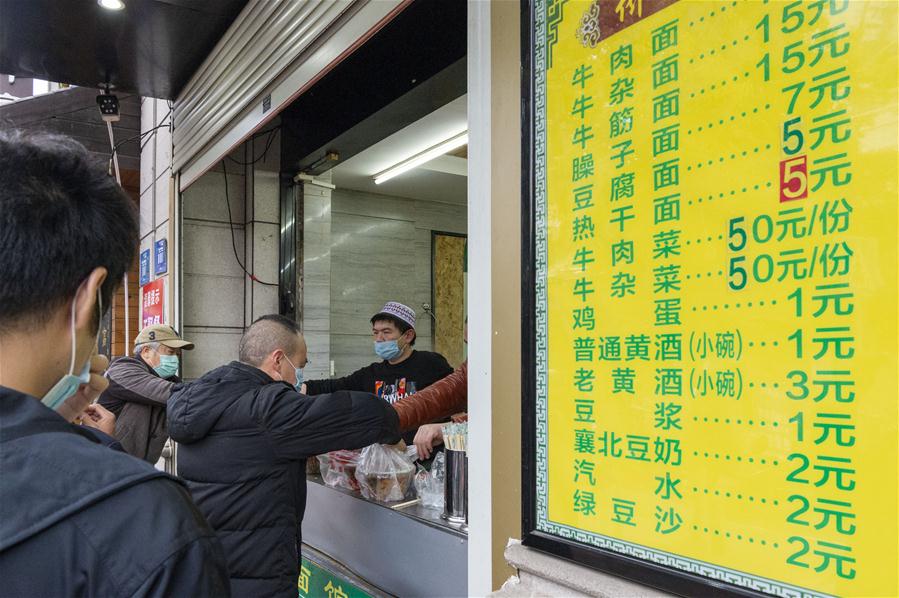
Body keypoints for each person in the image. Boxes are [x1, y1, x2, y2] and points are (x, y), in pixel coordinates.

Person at [0, 130, 229, 596]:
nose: (172, 361)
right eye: (168, 352)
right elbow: (172, 396)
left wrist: (46, 427)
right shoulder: (142, 520)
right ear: (87, 298)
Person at [167, 314, 400, 598]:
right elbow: (367, 416)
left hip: (207, 567)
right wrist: (396, 423)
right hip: (259, 576)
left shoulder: (200, 396)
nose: (298, 376)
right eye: (299, 366)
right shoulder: (269, 409)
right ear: (278, 360)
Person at [304, 301, 453, 441]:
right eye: (375, 333)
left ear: (408, 336)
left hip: (427, 454)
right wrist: (299, 386)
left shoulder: (431, 364)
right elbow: (336, 386)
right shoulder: (371, 373)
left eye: (386, 332)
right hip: (389, 456)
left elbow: (458, 401)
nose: (379, 339)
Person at [98, 324, 194, 463]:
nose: (175, 359)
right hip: (104, 464)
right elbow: (168, 392)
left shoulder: (170, 381)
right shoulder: (123, 370)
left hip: (135, 468)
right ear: (146, 351)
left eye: (177, 354)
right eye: (170, 352)